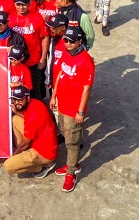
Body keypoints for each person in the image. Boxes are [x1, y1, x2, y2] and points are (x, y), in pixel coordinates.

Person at [50, 26, 95, 193]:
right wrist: (54, 95)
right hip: (62, 103)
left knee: (72, 142)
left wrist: (81, 111)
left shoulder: (86, 61)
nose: (67, 43)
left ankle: (71, 173)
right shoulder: (67, 54)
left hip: (73, 108)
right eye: (65, 40)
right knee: (64, 132)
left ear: (80, 42)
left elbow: (87, 88)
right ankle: (73, 164)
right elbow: (60, 75)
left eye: (71, 41)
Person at [3, 86, 58, 177]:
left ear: (28, 98)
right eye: (14, 99)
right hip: (45, 142)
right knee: (16, 119)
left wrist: (15, 154)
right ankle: (24, 155)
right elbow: (29, 119)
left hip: (44, 153)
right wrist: (17, 112)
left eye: (20, 100)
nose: (16, 103)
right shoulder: (35, 103)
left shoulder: (33, 117)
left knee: (8, 165)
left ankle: (44, 165)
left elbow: (25, 143)